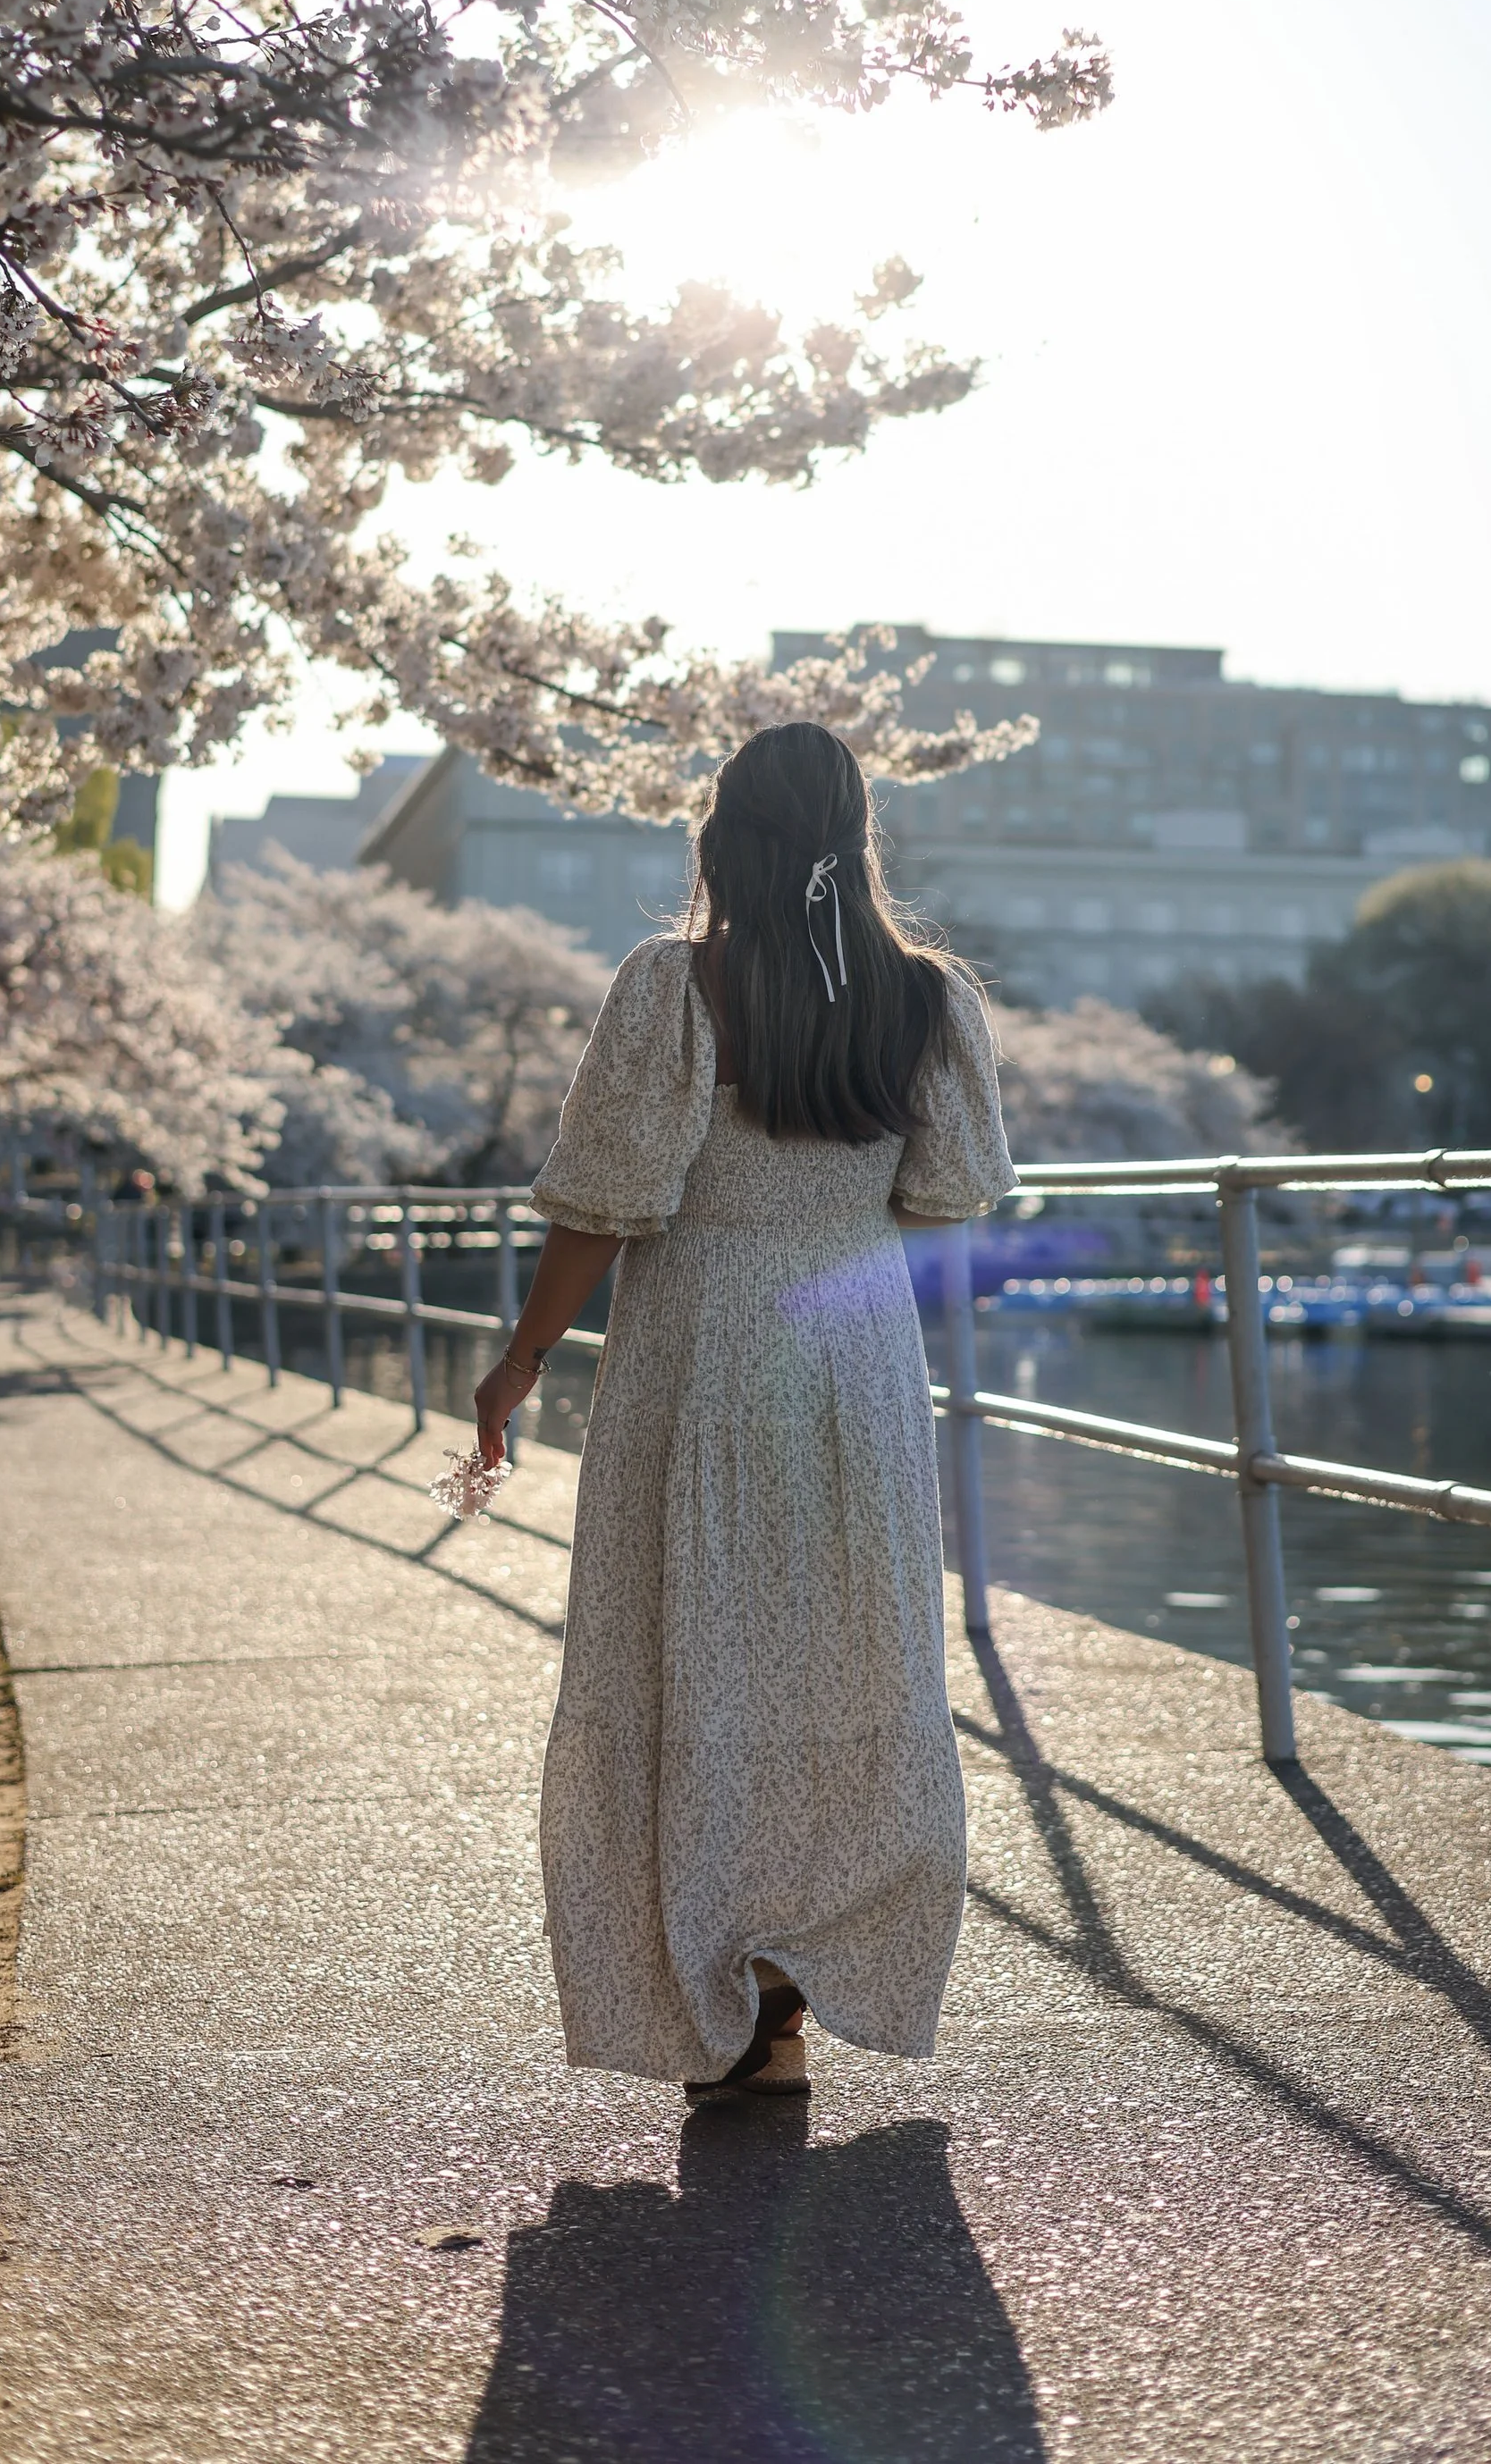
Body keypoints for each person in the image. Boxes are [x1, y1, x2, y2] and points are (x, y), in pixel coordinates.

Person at [474, 721, 1013, 2104]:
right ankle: (794, 1986)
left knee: (692, 1649)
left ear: (725, 833)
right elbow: (952, 1190)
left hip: (700, 1349)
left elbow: (606, 1206)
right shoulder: (927, 1000)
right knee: (848, 1657)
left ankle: (712, 1984)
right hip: (855, 1351)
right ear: (856, 835)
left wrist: (521, 1359)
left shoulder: (673, 987)